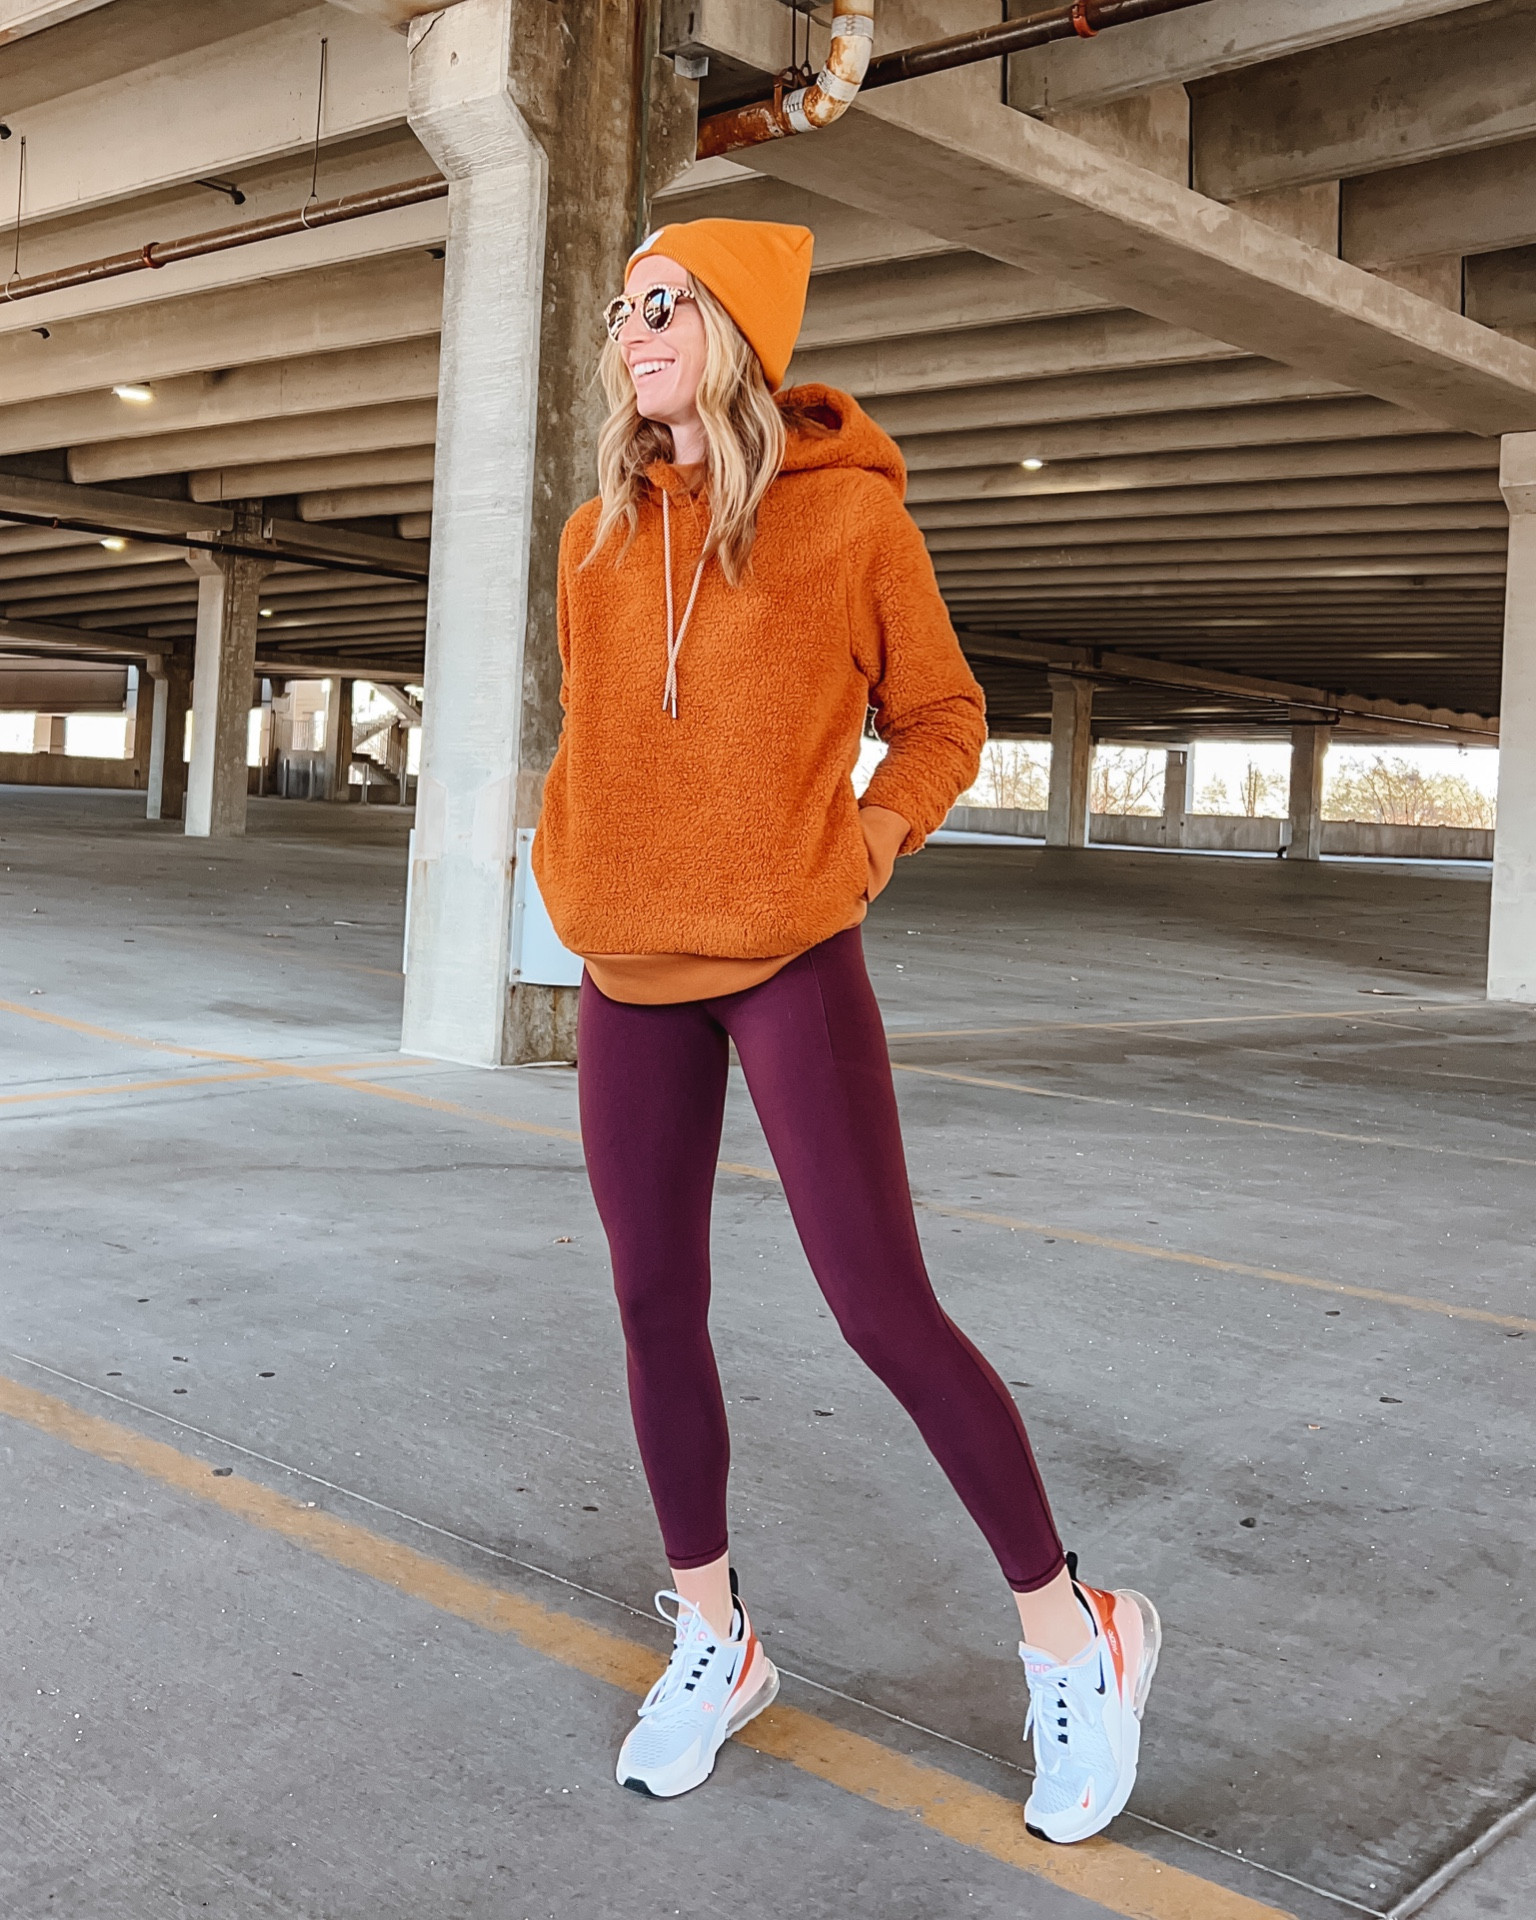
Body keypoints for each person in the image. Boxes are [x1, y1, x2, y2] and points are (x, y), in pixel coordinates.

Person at [531, 217, 1159, 1845]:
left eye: (662, 302)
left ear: (734, 327)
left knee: (880, 1304)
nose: (631, 326)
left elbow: (944, 718)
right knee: (654, 1306)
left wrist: (862, 844)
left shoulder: (852, 524)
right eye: (621, 307)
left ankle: (1072, 1627)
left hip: (790, 958)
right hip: (628, 972)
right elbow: (590, 739)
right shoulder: (597, 538)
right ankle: (717, 1639)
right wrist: (570, 858)